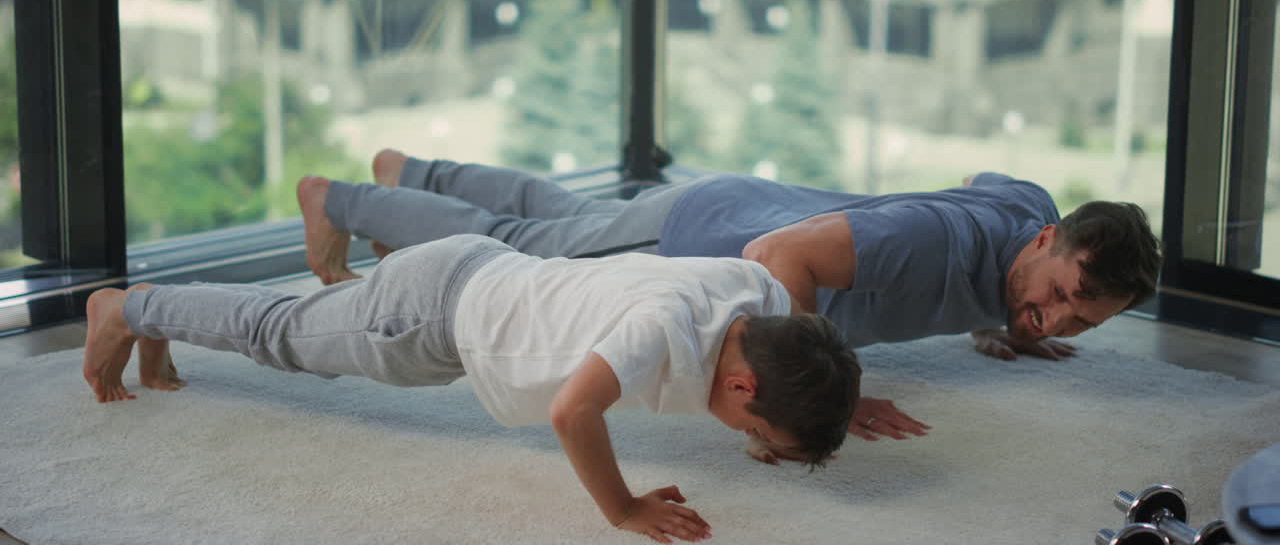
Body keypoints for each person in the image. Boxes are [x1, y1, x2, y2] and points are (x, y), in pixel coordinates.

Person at [299, 149, 1161, 456]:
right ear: (1046, 246)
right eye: (1056, 300)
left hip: (742, 199)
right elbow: (779, 257)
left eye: (1081, 320)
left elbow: (982, 180)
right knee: (524, 249)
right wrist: (830, 381)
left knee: (572, 219)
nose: (1055, 320)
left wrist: (1006, 320)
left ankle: (410, 176)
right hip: (704, 239)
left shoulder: (1033, 213)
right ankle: (336, 201)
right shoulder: (923, 243)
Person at [82, 233, 860, 543]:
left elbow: (796, 316)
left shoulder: (751, 295)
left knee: (304, 321)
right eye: (755, 429)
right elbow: (571, 410)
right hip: (430, 324)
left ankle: (156, 321)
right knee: (280, 335)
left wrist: (822, 401)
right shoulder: (658, 328)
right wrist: (622, 507)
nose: (748, 439)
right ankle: (127, 308)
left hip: (482, 271)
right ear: (740, 380)